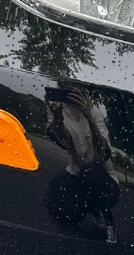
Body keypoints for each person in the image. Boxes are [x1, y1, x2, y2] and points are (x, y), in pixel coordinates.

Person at [44, 84, 119, 243]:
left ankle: (108, 222)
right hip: (76, 174)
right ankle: (88, 207)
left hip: (105, 179)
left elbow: (102, 153)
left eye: (77, 88)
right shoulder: (57, 108)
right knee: (58, 208)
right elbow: (64, 143)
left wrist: (88, 116)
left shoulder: (94, 111)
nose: (73, 90)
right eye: (68, 87)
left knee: (89, 170)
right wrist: (57, 117)